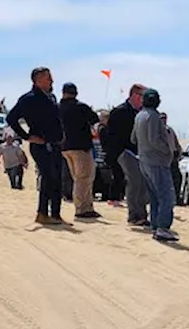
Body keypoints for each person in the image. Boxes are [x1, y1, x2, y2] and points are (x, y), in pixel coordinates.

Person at [7, 67, 67, 225]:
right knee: (48, 177)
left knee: (57, 179)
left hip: (55, 144)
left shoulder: (51, 97)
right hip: (40, 145)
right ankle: (42, 213)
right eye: (48, 78)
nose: (52, 81)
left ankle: (55, 214)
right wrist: (27, 136)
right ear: (38, 81)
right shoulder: (29, 99)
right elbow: (11, 118)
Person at [132, 89, 178, 242]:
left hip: (144, 159)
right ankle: (163, 228)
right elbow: (154, 140)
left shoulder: (139, 115)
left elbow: (133, 138)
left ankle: (155, 224)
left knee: (154, 195)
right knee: (166, 195)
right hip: (156, 160)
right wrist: (168, 150)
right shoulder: (153, 116)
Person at [106, 84, 149, 226]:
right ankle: (134, 215)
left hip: (139, 153)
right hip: (124, 152)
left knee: (141, 183)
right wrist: (116, 153)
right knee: (134, 181)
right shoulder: (120, 111)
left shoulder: (142, 112)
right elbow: (110, 135)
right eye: (143, 96)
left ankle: (141, 214)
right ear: (135, 95)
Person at [58, 83, 101, 218]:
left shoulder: (58, 108)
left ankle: (87, 206)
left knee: (79, 178)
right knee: (84, 178)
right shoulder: (80, 107)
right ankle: (81, 208)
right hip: (80, 147)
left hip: (64, 146)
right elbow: (94, 118)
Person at [161, 113, 182, 201]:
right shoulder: (157, 130)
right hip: (162, 159)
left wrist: (178, 152)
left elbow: (176, 143)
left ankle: (176, 197)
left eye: (165, 118)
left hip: (173, 159)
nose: (163, 120)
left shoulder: (170, 130)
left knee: (177, 178)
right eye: (162, 118)